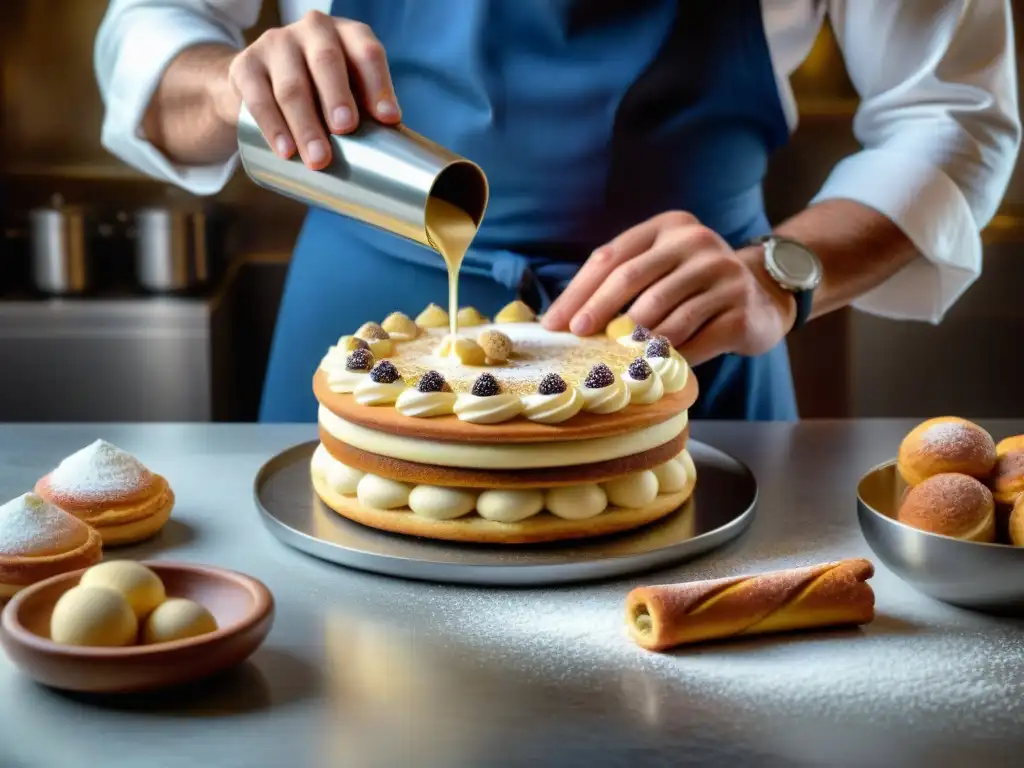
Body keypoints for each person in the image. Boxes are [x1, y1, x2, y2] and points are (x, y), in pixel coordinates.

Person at [95, 1, 1020, 423]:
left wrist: (777, 276)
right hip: (357, 344)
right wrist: (230, 86)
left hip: (685, 356)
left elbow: (952, 114)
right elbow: (150, 31)